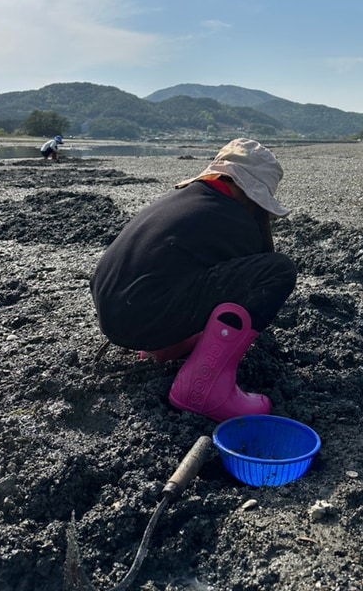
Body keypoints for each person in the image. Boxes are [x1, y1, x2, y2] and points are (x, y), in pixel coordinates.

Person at [90, 138, 297, 423]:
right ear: (251, 193)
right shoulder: (235, 218)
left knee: (191, 271)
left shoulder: (184, 199)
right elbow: (252, 281)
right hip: (142, 320)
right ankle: (203, 389)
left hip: (114, 314)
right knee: (278, 270)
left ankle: (164, 348)